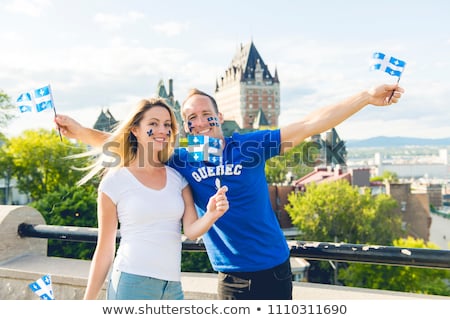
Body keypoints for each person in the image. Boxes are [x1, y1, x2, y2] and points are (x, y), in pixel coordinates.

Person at [55, 83, 404, 299]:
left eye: (205, 113)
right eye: (189, 117)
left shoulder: (248, 145)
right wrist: (81, 131)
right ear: (186, 125)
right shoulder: (182, 160)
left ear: (219, 115)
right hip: (231, 278)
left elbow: (311, 124)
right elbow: (132, 146)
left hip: (275, 269)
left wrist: (365, 97)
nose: (198, 120)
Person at [80, 97, 229, 300]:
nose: (162, 130)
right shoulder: (114, 181)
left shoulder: (178, 178)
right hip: (131, 283)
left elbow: (192, 231)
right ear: (135, 130)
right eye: (153, 124)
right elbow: (105, 249)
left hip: (172, 287)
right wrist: (87, 302)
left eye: (167, 124)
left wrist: (212, 214)